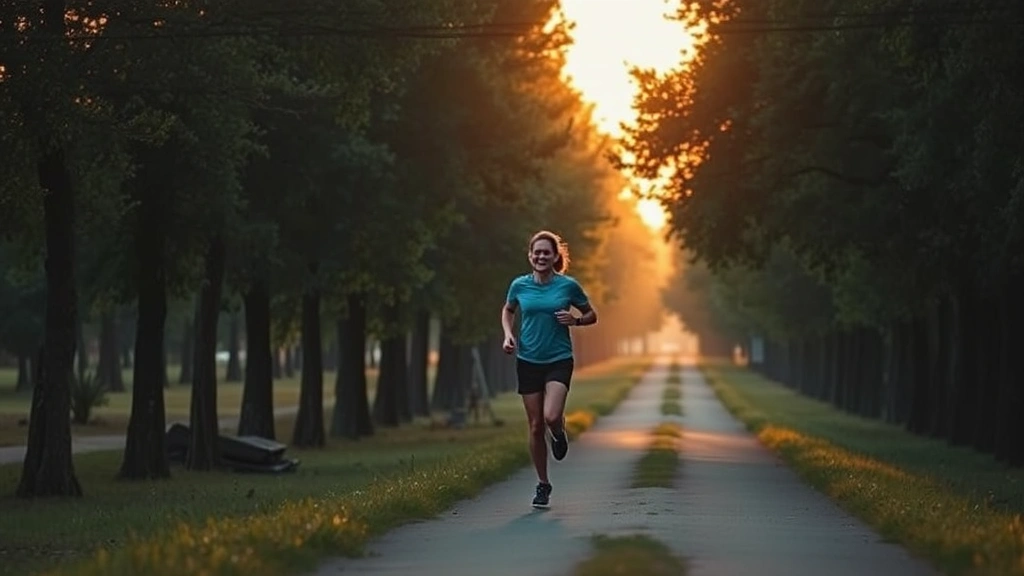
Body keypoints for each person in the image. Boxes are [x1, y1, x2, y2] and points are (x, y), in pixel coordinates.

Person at [500, 230, 598, 509]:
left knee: (551, 416)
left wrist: (576, 320)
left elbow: (592, 314)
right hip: (528, 359)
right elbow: (508, 310)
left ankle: (558, 432)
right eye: (537, 252)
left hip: (558, 358)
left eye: (547, 252)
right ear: (530, 255)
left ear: (556, 257)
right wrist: (508, 335)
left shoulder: (568, 286)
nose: (541, 256)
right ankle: (543, 484)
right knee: (534, 425)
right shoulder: (519, 285)